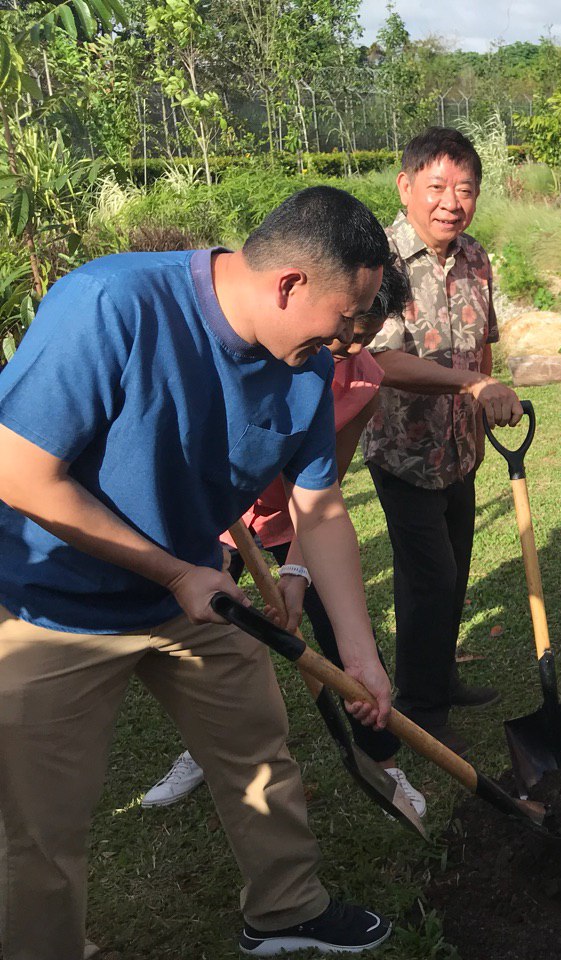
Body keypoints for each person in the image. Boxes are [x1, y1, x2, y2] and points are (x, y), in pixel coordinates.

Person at [0, 186, 397, 957]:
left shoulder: (307, 366)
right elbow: (18, 472)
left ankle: (285, 910)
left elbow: (319, 511)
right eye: (345, 321)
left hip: (193, 600)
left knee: (257, 748)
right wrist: (173, 572)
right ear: (289, 285)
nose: (350, 342)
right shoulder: (109, 304)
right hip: (51, 608)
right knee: (41, 825)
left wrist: (359, 654)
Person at [142, 257, 428, 817]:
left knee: (338, 625)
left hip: (290, 518)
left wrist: (296, 572)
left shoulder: (362, 380)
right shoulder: (275, 347)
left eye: (361, 338)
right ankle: (203, 748)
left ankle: (384, 761)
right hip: (222, 518)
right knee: (208, 636)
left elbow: (325, 492)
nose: (343, 347)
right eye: (344, 330)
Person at [362, 127, 523, 756]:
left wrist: (484, 400)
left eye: (465, 189)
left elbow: (485, 339)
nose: (450, 202)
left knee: (452, 572)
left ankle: (440, 677)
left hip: (459, 451)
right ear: (405, 187)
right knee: (428, 576)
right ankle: (421, 706)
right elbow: (383, 363)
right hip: (401, 452)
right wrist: (475, 384)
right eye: (436, 187)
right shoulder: (380, 263)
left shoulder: (476, 257)